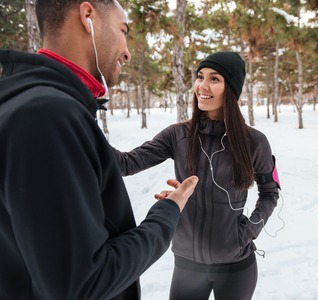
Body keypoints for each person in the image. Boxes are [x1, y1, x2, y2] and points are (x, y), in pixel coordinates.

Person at [0, 0, 198, 299]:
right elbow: (82, 284)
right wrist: (166, 214)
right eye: (123, 30)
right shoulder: (47, 115)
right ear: (87, 15)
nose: (128, 51)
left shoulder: (35, 105)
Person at [113, 51, 281, 300]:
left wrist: (247, 232)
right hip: (187, 266)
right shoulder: (177, 135)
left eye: (214, 79)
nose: (202, 86)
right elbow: (126, 164)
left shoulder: (254, 142)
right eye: (200, 76)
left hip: (236, 267)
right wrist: (82, 127)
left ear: (231, 89)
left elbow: (270, 192)